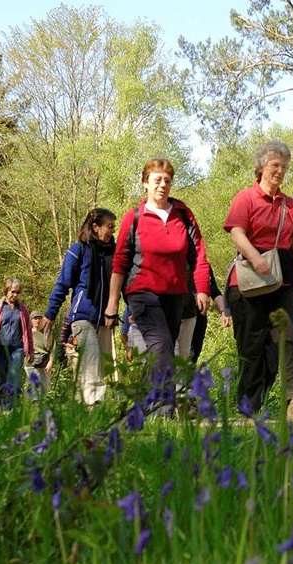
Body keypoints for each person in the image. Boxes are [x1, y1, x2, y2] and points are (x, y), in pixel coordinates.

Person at [223, 140, 293, 420]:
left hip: (283, 278)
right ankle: (248, 408)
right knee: (252, 346)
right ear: (262, 167)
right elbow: (236, 233)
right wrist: (256, 258)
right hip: (249, 283)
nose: (279, 171)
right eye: (275, 165)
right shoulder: (246, 198)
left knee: (288, 338)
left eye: (284, 166)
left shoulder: (290, 205)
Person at [105, 158, 212, 398]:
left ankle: (142, 402)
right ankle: (163, 411)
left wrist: (203, 288)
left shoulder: (183, 215)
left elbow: (199, 253)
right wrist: (113, 302)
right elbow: (120, 262)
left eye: (167, 180)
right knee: (162, 347)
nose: (163, 185)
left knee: (161, 352)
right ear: (145, 183)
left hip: (175, 294)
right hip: (142, 293)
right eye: (157, 180)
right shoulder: (134, 218)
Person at [42, 208, 116, 406]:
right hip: (82, 316)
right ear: (95, 227)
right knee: (91, 362)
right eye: (109, 227)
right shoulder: (79, 250)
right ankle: (94, 408)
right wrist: (50, 313)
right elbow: (63, 283)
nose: (112, 231)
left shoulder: (112, 254)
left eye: (113, 227)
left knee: (102, 365)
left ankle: (80, 407)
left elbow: (121, 286)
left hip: (105, 319)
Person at [0, 277, 33, 406]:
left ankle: (11, 407)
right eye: (12, 291)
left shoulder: (22, 309)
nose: (15, 295)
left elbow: (27, 331)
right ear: (6, 291)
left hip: (17, 348)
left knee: (14, 377)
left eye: (17, 292)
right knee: (0, 377)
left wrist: (30, 351)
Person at [188, 267, 231, 364]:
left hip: (199, 320)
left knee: (192, 358)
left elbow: (214, 291)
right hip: (178, 318)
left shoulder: (204, 266)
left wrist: (225, 312)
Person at [26, 311, 53, 394]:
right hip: (30, 363)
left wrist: (51, 362)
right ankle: (32, 405)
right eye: (35, 318)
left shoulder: (47, 333)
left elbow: (53, 348)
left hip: (45, 364)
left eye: (39, 318)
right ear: (31, 320)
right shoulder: (27, 334)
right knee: (33, 388)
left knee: (45, 389)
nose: (37, 320)